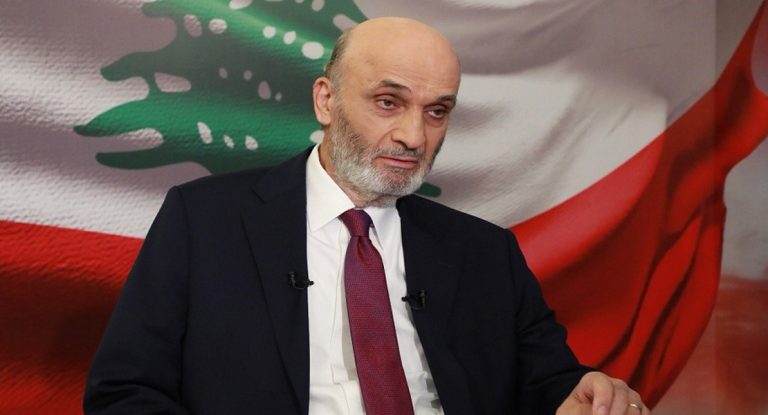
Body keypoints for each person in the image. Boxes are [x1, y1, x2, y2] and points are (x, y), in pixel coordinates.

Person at [84, 17, 649, 415]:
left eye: (437, 111)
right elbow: (125, 392)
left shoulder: (485, 252)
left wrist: (583, 395)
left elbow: (548, 381)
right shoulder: (204, 221)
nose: (413, 136)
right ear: (326, 100)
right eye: (388, 102)